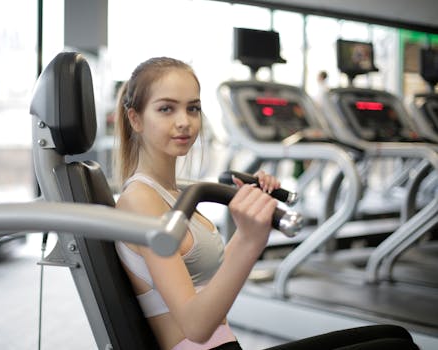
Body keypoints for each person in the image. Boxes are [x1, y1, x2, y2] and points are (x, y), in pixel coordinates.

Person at [113, 57, 419, 350]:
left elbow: (209, 280)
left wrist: (253, 217)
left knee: (396, 335)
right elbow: (196, 326)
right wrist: (249, 240)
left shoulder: (173, 192)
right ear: (135, 118)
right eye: (166, 109)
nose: (184, 122)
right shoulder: (140, 200)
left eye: (192, 109)